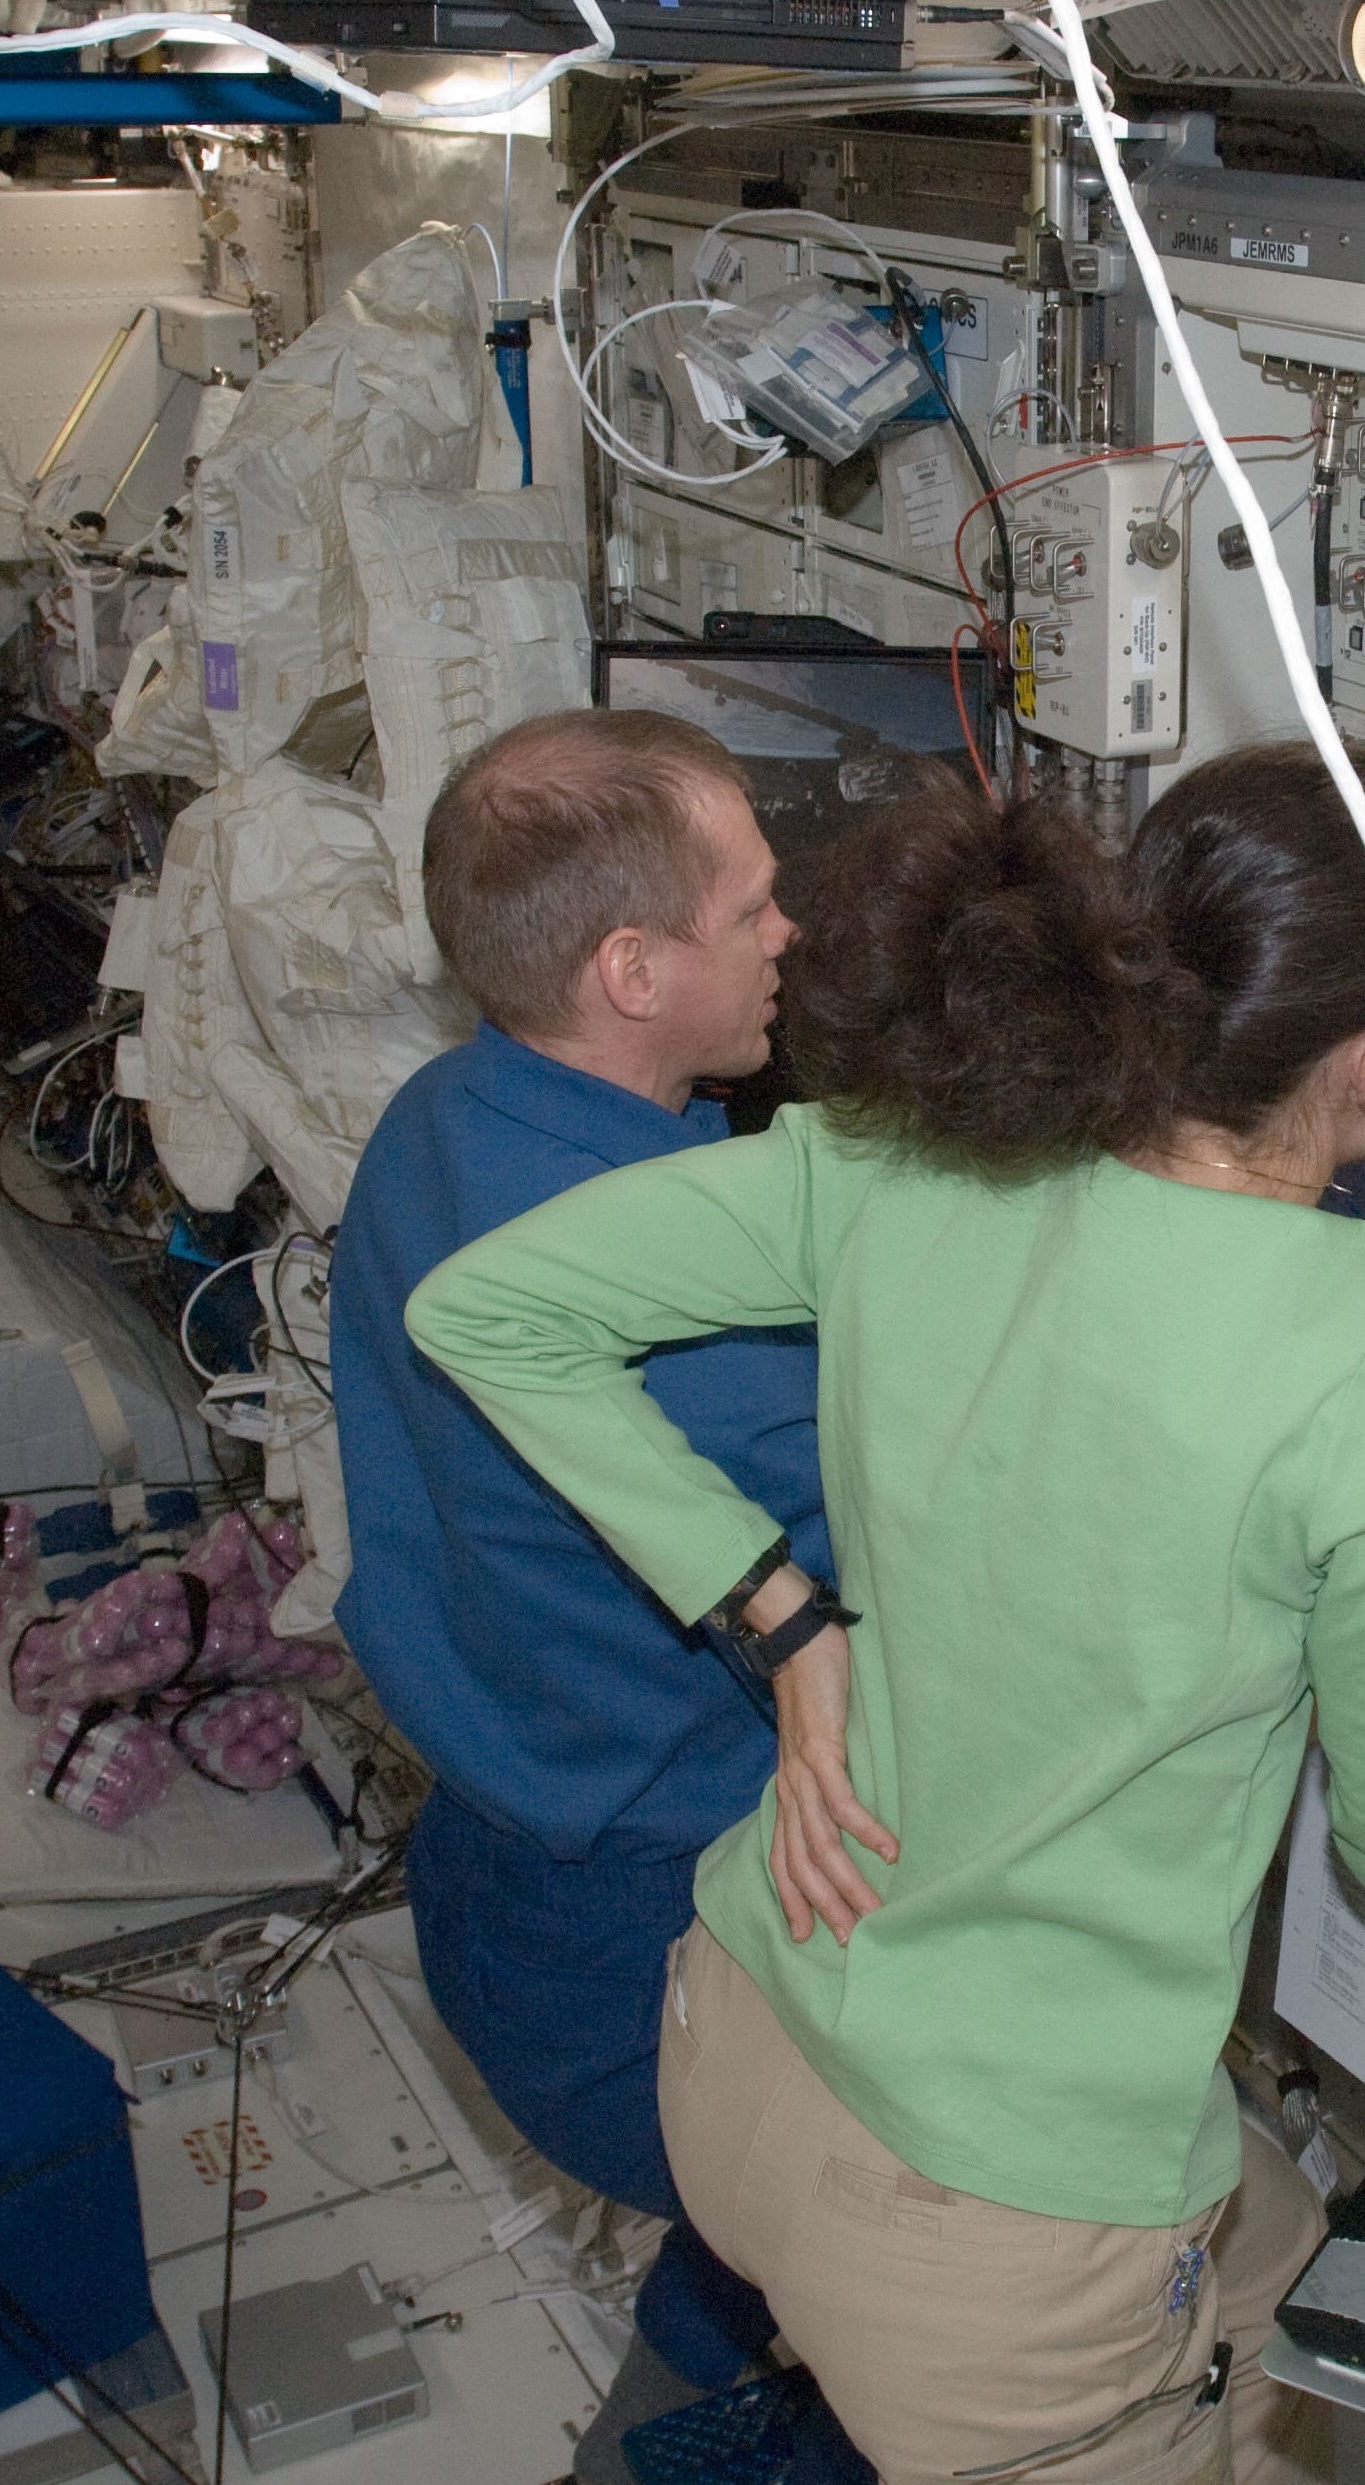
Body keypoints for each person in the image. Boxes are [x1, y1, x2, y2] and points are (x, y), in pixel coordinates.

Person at [403, 744, 1365, 2485]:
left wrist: (777, 1611)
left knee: (1299, 2274)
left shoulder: (916, 1154)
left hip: (736, 2033)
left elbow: (488, 1310)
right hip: (988, 2223)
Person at [328, 708, 833, 2456]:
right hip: (655, 1936)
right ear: (632, 966)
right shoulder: (698, 1316)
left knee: (745, 2256)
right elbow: (932, 1590)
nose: (792, 935)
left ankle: (726, 2334)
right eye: (754, 907)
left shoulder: (436, 1117)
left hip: (489, 1865)